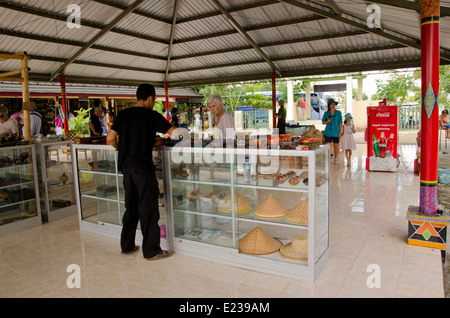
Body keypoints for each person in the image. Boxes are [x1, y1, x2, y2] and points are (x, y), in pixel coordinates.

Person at [106, 83, 175, 261]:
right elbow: (173, 132)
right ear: (151, 98)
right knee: (149, 208)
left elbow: (110, 138)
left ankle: (127, 246)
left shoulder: (123, 114)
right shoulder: (151, 115)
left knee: (131, 207)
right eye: (154, 100)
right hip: (143, 168)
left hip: (126, 168)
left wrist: (120, 148)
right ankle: (152, 251)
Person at [322, 98, 343, 163]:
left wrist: (340, 132)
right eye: (331, 104)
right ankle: (327, 158)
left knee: (336, 146)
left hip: (336, 132)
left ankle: (336, 158)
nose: (333, 105)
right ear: (329, 105)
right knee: (328, 146)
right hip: (328, 132)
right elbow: (323, 122)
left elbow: (340, 123)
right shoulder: (326, 113)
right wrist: (327, 121)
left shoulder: (338, 113)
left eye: (334, 104)